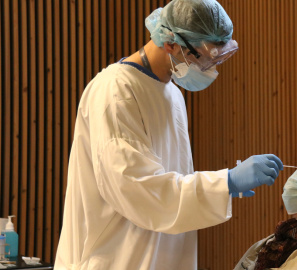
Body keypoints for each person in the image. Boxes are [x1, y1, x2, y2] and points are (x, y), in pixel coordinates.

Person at [55, 0, 283, 269]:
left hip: (163, 254)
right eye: (206, 56)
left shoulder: (172, 93)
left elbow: (173, 181)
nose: (211, 67)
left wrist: (223, 187)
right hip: (117, 258)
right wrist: (226, 182)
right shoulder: (116, 91)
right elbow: (139, 189)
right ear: (172, 44)